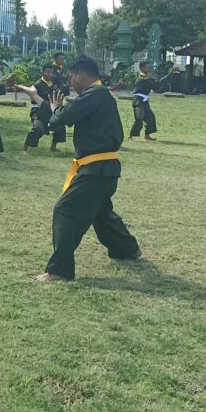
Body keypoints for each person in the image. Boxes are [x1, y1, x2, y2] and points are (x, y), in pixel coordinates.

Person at [35, 56, 142, 282]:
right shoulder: (99, 95)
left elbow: (64, 118)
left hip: (96, 168)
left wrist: (54, 109)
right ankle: (127, 249)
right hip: (103, 167)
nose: (71, 81)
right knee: (100, 213)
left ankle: (59, 271)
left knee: (64, 211)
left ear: (82, 75)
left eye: (72, 76)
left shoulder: (96, 94)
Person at [20, 64, 67, 155]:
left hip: (50, 110)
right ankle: (25, 149)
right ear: (43, 72)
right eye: (48, 72)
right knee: (38, 129)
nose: (50, 74)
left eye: (51, 72)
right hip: (38, 111)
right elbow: (32, 95)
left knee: (60, 126)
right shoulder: (37, 84)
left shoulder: (53, 84)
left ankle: (53, 147)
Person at [129, 61, 165, 141]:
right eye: (147, 67)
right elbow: (152, 83)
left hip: (144, 101)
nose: (149, 69)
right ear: (142, 68)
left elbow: (156, 85)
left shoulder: (149, 77)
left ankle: (147, 135)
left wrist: (169, 75)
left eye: (149, 67)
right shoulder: (140, 78)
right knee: (139, 118)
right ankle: (131, 136)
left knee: (150, 117)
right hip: (138, 101)